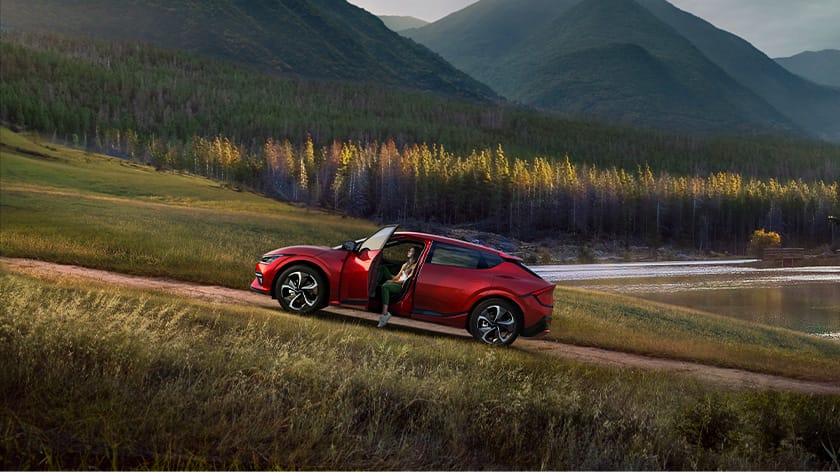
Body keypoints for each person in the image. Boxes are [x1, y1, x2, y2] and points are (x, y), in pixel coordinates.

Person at [376, 246, 418, 328]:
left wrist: (392, 281)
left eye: (411, 251)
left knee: (385, 287)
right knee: (383, 268)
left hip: (401, 285)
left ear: (415, 254)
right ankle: (374, 287)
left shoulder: (414, 267)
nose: (408, 251)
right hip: (397, 281)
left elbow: (406, 281)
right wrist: (392, 279)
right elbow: (398, 277)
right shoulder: (405, 265)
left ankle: (385, 314)